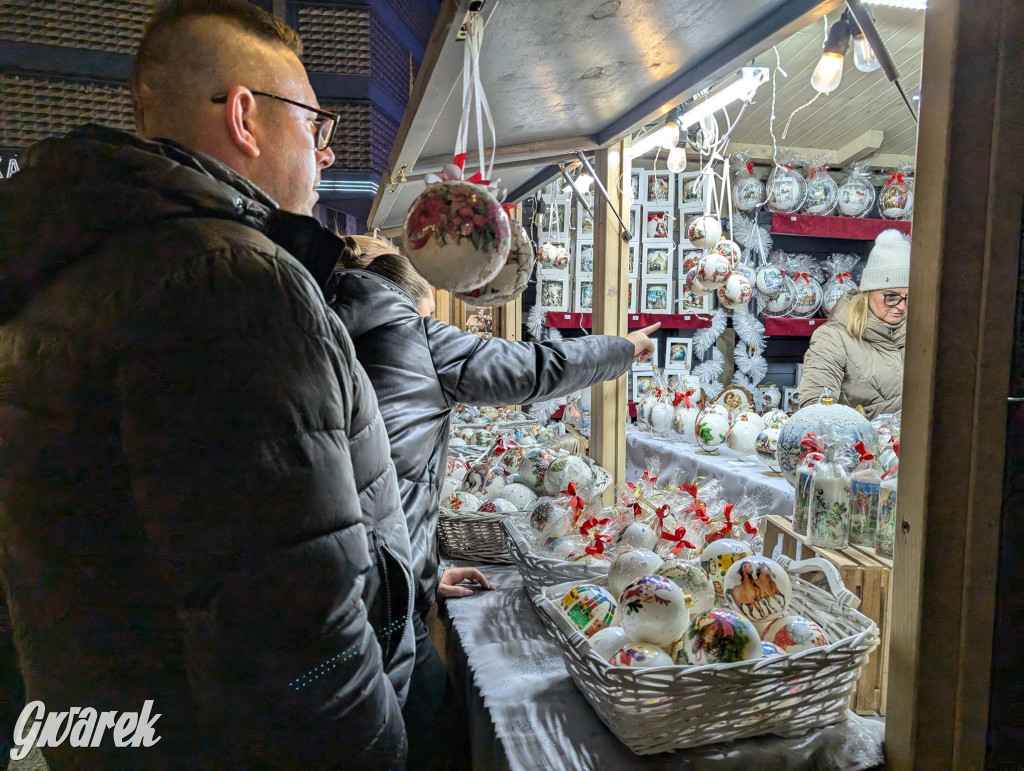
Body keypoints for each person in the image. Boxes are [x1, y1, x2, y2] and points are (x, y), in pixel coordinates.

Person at [0, 2, 414, 767]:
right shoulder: (233, 286)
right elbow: (297, 631)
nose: (323, 155)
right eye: (315, 126)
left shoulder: (65, 274)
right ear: (248, 118)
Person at [326, 235, 658, 768]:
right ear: (410, 298)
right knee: (433, 744)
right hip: (380, 601)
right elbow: (535, 367)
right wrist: (624, 347)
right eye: (431, 312)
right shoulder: (412, 337)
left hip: (339, 585)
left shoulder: (323, 328)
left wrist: (427, 574)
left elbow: (360, 477)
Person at [799, 229, 910, 419]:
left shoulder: (924, 333)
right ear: (867, 291)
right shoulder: (833, 338)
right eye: (891, 297)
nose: (901, 306)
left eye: (909, 297)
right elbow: (815, 413)